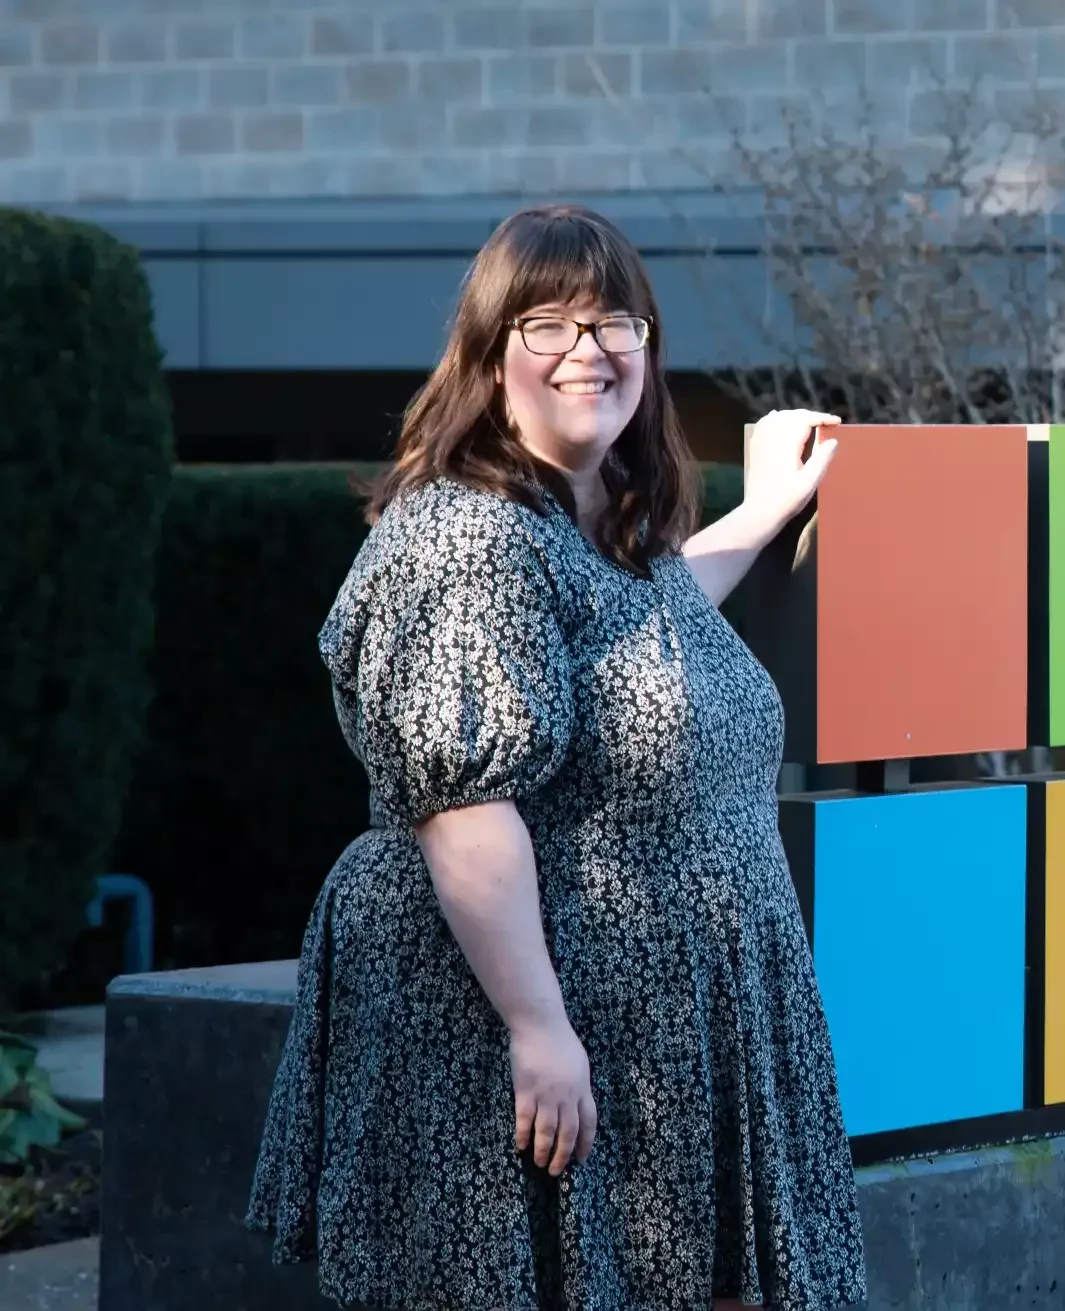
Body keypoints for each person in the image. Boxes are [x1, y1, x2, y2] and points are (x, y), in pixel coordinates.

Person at [243, 203, 869, 1311]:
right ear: (489, 360)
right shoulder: (465, 535)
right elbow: (462, 810)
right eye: (547, 325)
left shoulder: (602, 528)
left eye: (614, 322)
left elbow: (640, 632)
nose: (589, 351)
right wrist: (539, 1030)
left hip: (666, 1020)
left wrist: (768, 510)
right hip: (534, 1027)